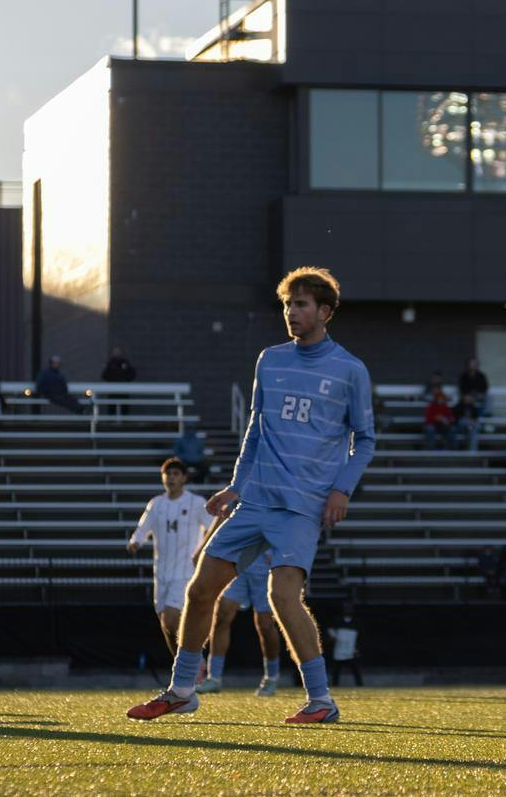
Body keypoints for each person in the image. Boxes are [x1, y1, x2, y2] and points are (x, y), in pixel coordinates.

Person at [127, 268, 374, 726]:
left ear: (324, 312)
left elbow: (366, 440)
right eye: (287, 305)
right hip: (254, 501)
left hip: (301, 508)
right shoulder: (270, 359)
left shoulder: (349, 370)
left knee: (283, 598)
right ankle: (183, 690)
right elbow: (255, 431)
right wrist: (236, 486)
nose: (291, 313)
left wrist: (342, 489)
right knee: (200, 591)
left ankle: (321, 700)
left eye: (300, 305)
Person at [126, 457, 210, 669]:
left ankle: (193, 661)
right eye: (168, 474)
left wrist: (203, 551)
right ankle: (186, 665)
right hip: (161, 573)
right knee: (166, 624)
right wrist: (135, 541)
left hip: (185, 573)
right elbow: (143, 528)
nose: (171, 478)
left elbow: (211, 527)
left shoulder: (196, 502)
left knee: (171, 619)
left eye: (175, 474)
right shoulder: (156, 504)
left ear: (184, 478)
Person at [203, 552, 285, 695]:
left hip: (266, 566)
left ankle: (271, 677)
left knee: (265, 625)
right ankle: (214, 678)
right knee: (222, 615)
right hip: (238, 563)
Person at [327, 609, 362, 687]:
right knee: (336, 670)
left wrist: (356, 649)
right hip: (339, 652)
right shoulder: (337, 621)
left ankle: (360, 685)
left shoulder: (356, 622)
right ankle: (335, 685)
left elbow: (358, 638)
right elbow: (331, 632)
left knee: (356, 670)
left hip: (350, 651)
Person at [422, 379, 456, 449]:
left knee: (452, 429)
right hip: (434, 425)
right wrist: (436, 418)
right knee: (429, 428)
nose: (440, 400)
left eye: (442, 398)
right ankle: (430, 449)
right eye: (439, 398)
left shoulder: (446, 407)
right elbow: (427, 420)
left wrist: (446, 420)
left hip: (443, 426)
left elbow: (451, 419)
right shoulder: (431, 406)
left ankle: (452, 449)